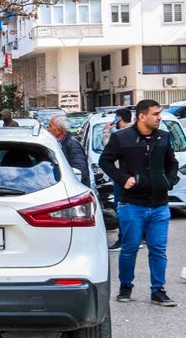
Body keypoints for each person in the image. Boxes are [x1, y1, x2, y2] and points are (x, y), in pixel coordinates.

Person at [100, 99, 179, 307]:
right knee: (130, 247)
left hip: (159, 205)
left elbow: (172, 163)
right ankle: (125, 288)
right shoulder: (122, 137)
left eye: (159, 113)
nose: (159, 117)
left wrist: (168, 182)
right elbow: (104, 162)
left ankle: (158, 291)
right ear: (142, 116)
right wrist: (123, 178)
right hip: (132, 205)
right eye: (155, 114)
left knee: (158, 249)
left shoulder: (164, 137)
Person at [108, 109, 133, 251]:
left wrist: (106, 131)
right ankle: (136, 238)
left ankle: (124, 240)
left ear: (118, 118)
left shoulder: (118, 135)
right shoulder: (136, 133)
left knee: (121, 208)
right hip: (135, 178)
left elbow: (108, 151)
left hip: (121, 178)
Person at [48, 114, 89, 186]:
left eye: (50, 126)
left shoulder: (72, 144)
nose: (47, 129)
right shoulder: (56, 143)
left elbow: (80, 171)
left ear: (58, 130)